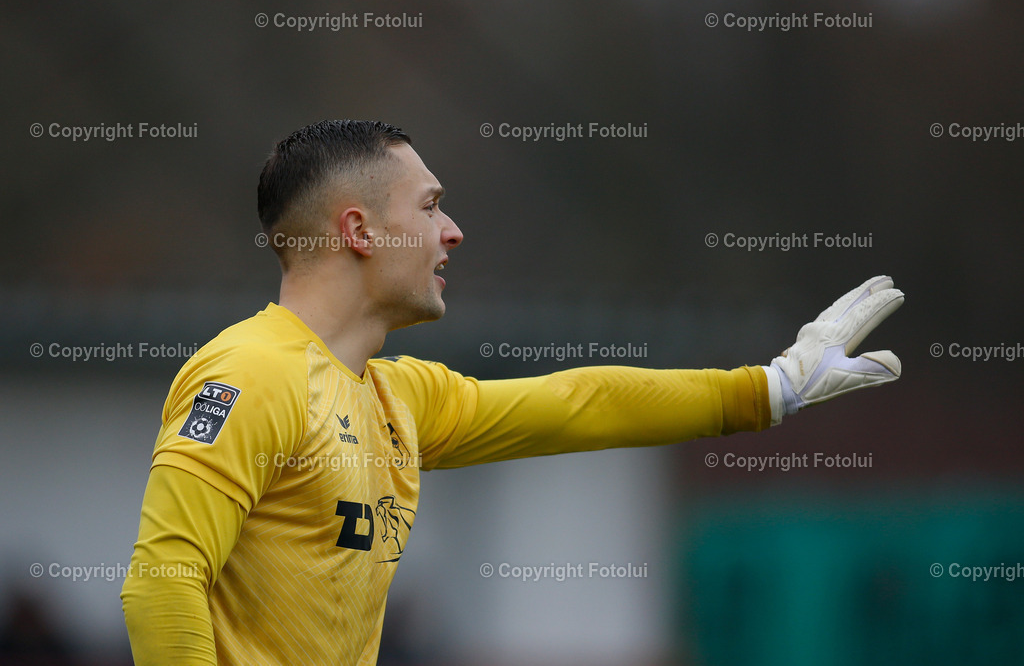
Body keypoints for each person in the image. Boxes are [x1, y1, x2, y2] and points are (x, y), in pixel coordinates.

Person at [121, 119, 904, 665]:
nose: (453, 230)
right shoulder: (251, 372)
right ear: (359, 231)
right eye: (429, 206)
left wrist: (770, 389)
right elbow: (162, 581)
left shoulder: (397, 396)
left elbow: (577, 402)